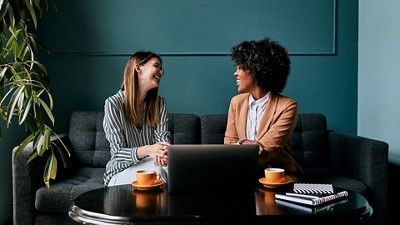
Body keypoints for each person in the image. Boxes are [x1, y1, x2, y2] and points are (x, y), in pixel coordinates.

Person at [224, 37, 304, 181]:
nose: (235, 73)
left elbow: (266, 152)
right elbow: (227, 146)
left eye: (240, 67)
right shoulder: (236, 102)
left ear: (257, 69)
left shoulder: (287, 106)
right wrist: (243, 142)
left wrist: (239, 146)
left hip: (277, 177)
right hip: (242, 174)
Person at [103, 51, 170, 187]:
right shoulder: (113, 104)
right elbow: (117, 153)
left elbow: (162, 141)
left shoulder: (160, 104)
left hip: (152, 165)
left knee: (172, 168)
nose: (161, 72)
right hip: (120, 172)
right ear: (138, 68)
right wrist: (149, 150)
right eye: (156, 66)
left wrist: (163, 153)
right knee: (156, 172)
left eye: (161, 68)